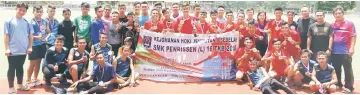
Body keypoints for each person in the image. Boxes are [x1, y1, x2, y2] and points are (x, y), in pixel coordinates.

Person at [4, 3, 33, 93]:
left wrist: (30, 47)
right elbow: (6, 35)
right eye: (20, 10)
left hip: (23, 50)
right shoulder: (8, 21)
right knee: (12, 68)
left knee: (20, 67)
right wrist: (7, 48)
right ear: (16, 9)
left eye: (24, 10)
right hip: (12, 50)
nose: (21, 12)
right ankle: (11, 87)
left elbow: (31, 35)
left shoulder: (27, 21)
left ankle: (20, 85)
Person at [331, 7, 356, 93]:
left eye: (339, 13)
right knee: (336, 69)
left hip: (346, 51)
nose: (338, 15)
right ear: (333, 15)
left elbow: (353, 36)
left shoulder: (349, 24)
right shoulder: (332, 25)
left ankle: (349, 87)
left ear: (343, 14)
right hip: (334, 52)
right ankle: (338, 84)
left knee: (347, 70)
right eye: (336, 13)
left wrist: (352, 48)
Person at [27, 5, 50, 88]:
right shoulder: (30, 22)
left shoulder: (44, 21)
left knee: (38, 63)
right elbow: (27, 35)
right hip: (33, 45)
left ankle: (35, 79)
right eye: (37, 11)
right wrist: (37, 37)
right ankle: (28, 80)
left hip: (42, 45)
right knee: (32, 64)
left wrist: (46, 38)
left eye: (41, 11)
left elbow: (48, 32)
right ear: (33, 12)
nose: (39, 13)